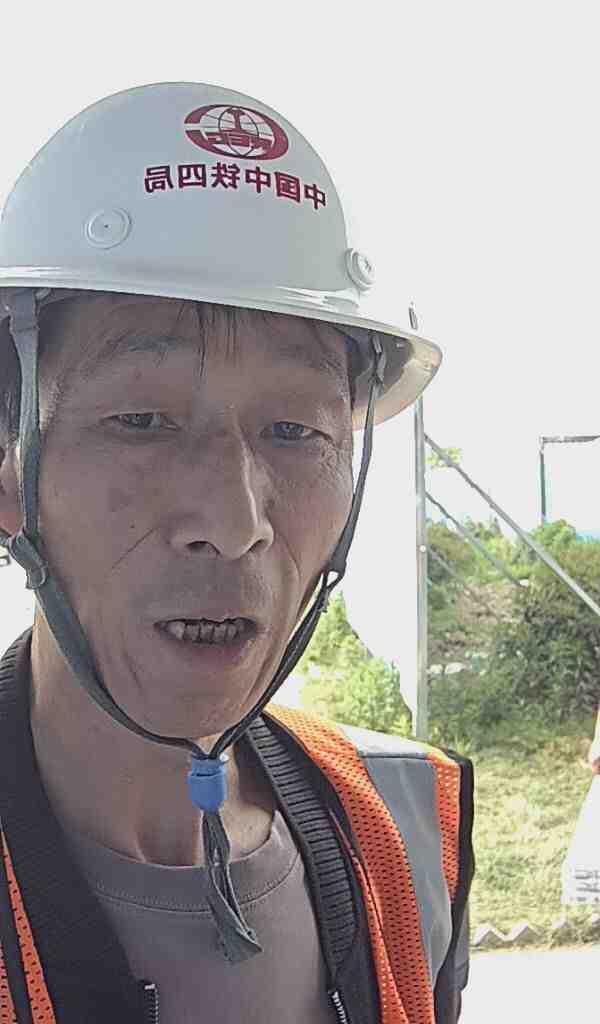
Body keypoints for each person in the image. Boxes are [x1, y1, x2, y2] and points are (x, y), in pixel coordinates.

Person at [0, 83, 474, 1023]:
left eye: (296, 431)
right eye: (141, 421)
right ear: (12, 480)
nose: (234, 520)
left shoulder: (410, 818)